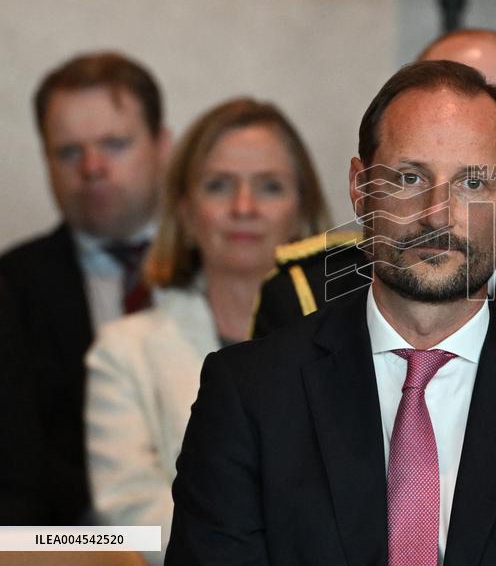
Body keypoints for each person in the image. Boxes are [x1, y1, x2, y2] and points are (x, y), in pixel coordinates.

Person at [166, 61, 496, 564]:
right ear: (360, 189)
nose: (437, 215)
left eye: (473, 184)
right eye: (409, 178)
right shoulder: (249, 396)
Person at [85, 98, 329, 564]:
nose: (243, 207)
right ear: (185, 211)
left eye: (270, 187)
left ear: (303, 210)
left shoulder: (355, 338)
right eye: (219, 186)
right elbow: (131, 518)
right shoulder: (124, 351)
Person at [0, 51, 169, 523]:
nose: (92, 167)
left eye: (114, 144)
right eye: (69, 152)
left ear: (162, 145)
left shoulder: (225, 263)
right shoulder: (11, 288)